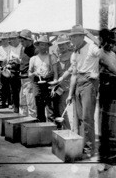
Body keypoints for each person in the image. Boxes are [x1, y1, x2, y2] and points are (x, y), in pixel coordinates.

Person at [66, 25, 100, 158]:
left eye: (74, 36)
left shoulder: (91, 47)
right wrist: (70, 95)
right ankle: (81, 145)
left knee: (87, 117)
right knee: (79, 118)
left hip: (89, 83)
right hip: (78, 83)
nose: (72, 39)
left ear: (82, 36)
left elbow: (104, 57)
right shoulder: (75, 53)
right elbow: (73, 74)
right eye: (71, 36)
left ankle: (89, 149)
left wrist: (97, 73)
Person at [28, 35, 58, 122]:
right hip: (37, 83)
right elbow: (29, 74)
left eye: (45, 45)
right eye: (41, 45)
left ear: (48, 46)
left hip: (49, 83)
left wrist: (54, 84)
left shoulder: (52, 57)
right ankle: (41, 127)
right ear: (37, 46)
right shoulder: (33, 59)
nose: (43, 47)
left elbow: (55, 73)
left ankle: (52, 128)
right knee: (39, 106)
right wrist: (34, 73)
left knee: (50, 107)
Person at [52, 34, 73, 130]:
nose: (61, 47)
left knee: (65, 108)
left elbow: (71, 71)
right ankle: (64, 128)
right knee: (59, 106)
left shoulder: (72, 55)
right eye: (59, 45)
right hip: (60, 85)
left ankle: (68, 129)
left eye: (63, 44)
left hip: (69, 85)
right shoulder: (58, 56)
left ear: (68, 44)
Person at [19, 29, 37, 117]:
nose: (21, 43)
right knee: (22, 104)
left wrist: (31, 80)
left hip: (29, 80)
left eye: (22, 41)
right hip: (22, 79)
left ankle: (32, 124)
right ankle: (23, 123)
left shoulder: (35, 51)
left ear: (28, 40)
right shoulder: (23, 49)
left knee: (31, 104)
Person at [0, 35, 12, 109]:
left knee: (9, 86)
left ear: (8, 39)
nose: (3, 41)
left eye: (5, 39)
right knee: (2, 86)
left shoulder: (11, 48)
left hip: (9, 68)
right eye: (2, 40)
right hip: (1, 69)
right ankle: (3, 102)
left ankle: (10, 102)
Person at [8, 32, 23, 113]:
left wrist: (18, 61)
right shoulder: (11, 48)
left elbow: (23, 61)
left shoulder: (21, 47)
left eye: (14, 38)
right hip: (12, 71)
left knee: (20, 91)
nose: (12, 41)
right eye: (11, 39)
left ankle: (20, 107)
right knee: (13, 91)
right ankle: (16, 107)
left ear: (18, 39)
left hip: (19, 71)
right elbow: (9, 59)